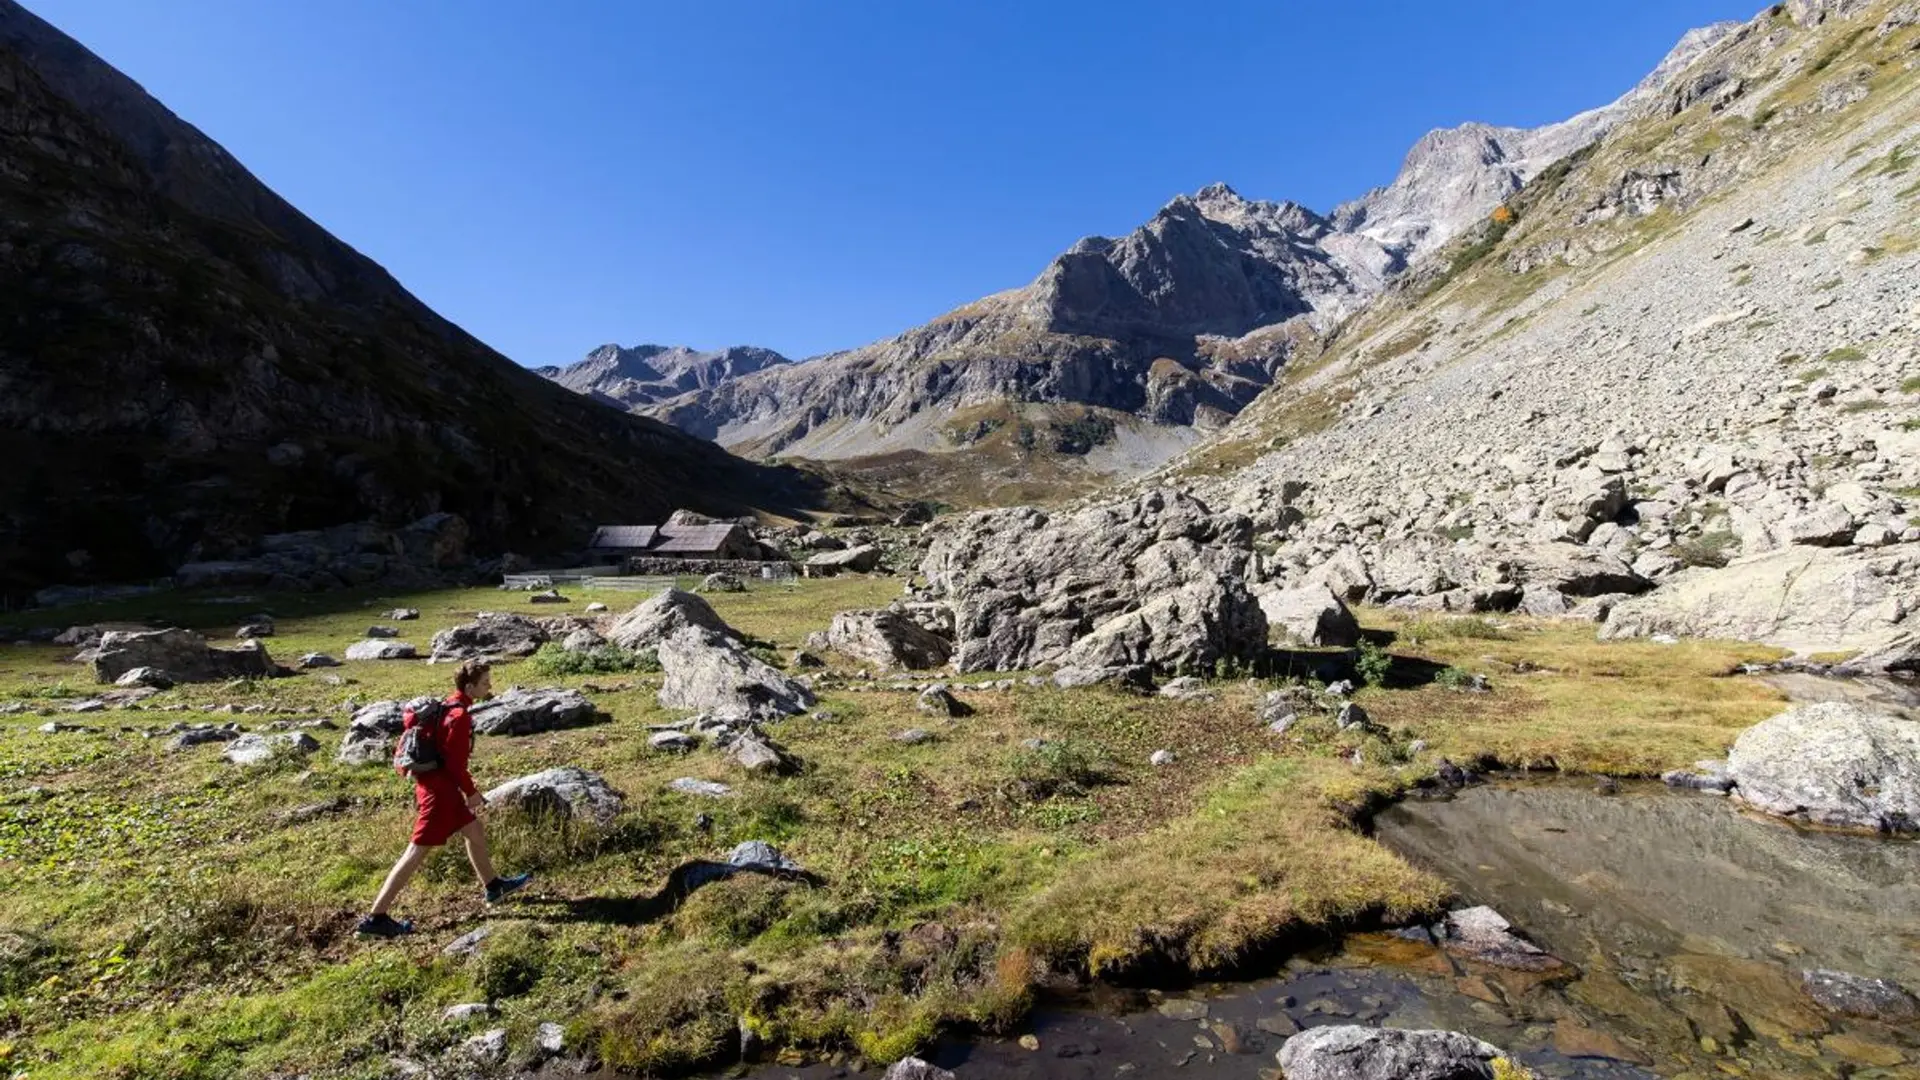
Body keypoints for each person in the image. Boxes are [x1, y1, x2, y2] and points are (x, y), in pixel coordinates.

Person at [356, 660, 531, 938]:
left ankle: (493, 886)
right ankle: (376, 918)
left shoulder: (447, 704)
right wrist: (472, 793)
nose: (490, 687)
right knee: (416, 852)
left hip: (435, 787)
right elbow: (454, 764)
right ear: (470, 686)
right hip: (440, 794)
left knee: (474, 831)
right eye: (485, 683)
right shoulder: (460, 716)